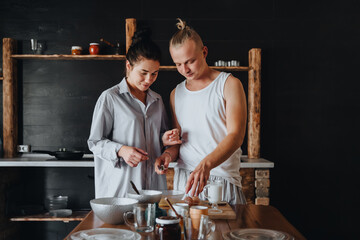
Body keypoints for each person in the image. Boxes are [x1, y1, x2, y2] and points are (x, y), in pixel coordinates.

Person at [155, 19, 247, 205]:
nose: (185, 69)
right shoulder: (176, 93)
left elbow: (236, 136)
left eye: (190, 61)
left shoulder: (229, 84)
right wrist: (167, 155)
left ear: (204, 52)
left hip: (221, 181)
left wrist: (205, 165)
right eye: (178, 64)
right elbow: (178, 142)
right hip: (186, 183)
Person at [88, 29, 181, 198]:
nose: (148, 80)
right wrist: (121, 150)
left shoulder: (157, 100)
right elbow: (95, 142)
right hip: (121, 189)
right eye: (143, 73)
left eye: (154, 74)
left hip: (153, 187)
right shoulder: (110, 98)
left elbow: (160, 139)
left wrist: (165, 139)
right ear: (128, 66)